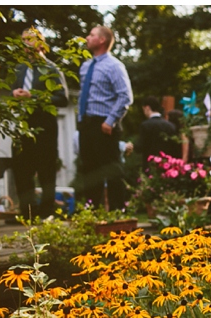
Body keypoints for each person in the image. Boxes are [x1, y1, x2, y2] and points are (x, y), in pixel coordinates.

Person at [10, 28, 69, 218]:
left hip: (44, 128)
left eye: (29, 40)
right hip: (22, 127)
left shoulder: (51, 68)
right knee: (21, 171)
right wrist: (15, 95)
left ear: (40, 44)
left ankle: (46, 214)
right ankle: (28, 214)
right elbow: (12, 91)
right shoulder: (19, 68)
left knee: (46, 171)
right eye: (23, 40)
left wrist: (33, 96)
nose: (25, 44)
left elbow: (63, 98)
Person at [76, 25, 133, 209]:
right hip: (87, 125)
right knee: (90, 171)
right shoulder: (85, 67)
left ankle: (117, 212)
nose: (87, 37)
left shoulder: (114, 66)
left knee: (112, 170)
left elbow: (125, 96)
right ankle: (93, 213)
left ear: (102, 40)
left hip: (105, 125)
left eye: (91, 35)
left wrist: (110, 121)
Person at [138, 95, 175, 171]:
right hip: (167, 166)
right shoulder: (170, 126)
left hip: (150, 166)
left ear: (147, 108)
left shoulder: (145, 125)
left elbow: (140, 146)